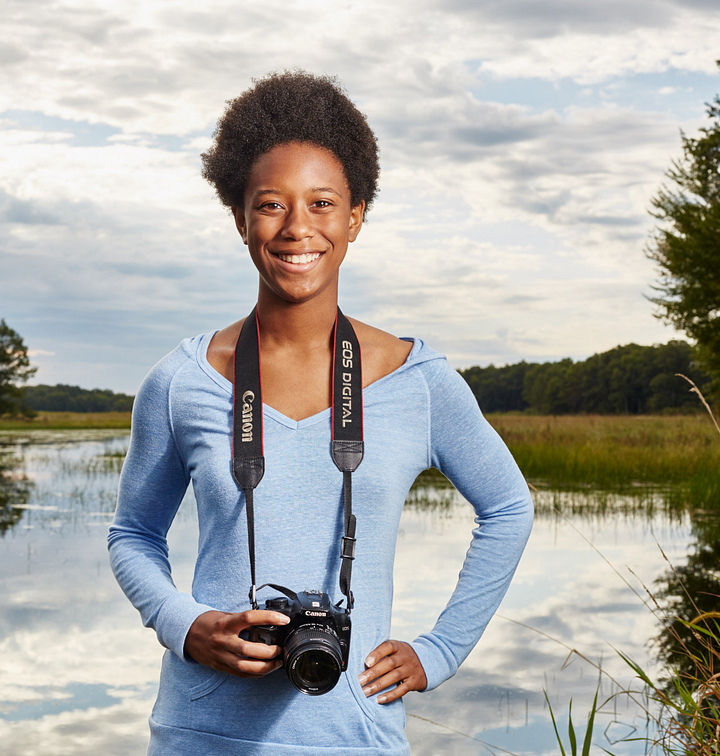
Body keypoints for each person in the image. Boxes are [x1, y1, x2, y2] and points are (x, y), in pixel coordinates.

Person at [107, 70, 534, 755]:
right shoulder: (181, 381)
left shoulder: (416, 381)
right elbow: (132, 534)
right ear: (241, 218)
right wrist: (183, 624)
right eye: (271, 204)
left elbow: (509, 509)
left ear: (355, 216)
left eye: (322, 203)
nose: (297, 228)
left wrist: (441, 650)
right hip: (199, 735)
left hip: (355, 734)